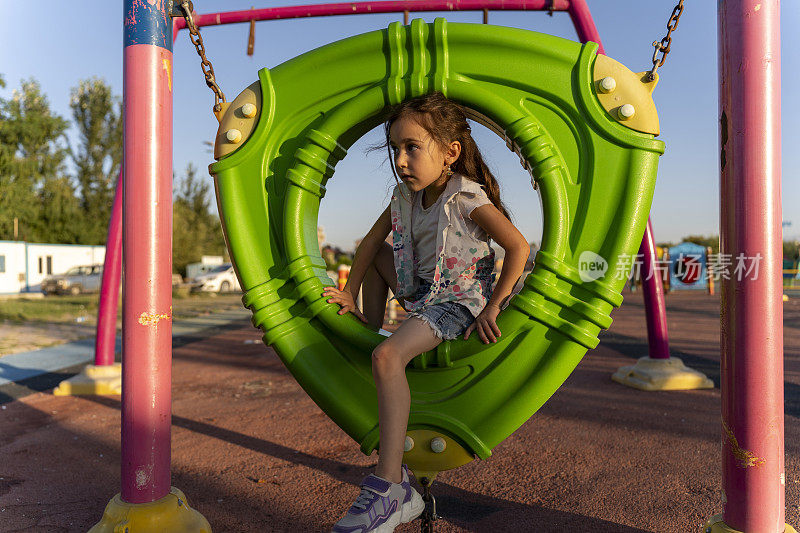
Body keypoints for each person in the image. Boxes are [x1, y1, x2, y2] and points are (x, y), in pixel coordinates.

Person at [323, 92, 529, 533]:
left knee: (387, 358)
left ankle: (389, 484)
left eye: (412, 147)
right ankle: (375, 328)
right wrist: (350, 291)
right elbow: (370, 245)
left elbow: (518, 246)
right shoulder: (403, 197)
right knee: (379, 259)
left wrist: (494, 305)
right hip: (421, 294)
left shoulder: (465, 197)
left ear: (450, 152)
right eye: (396, 148)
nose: (400, 159)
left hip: (456, 303)